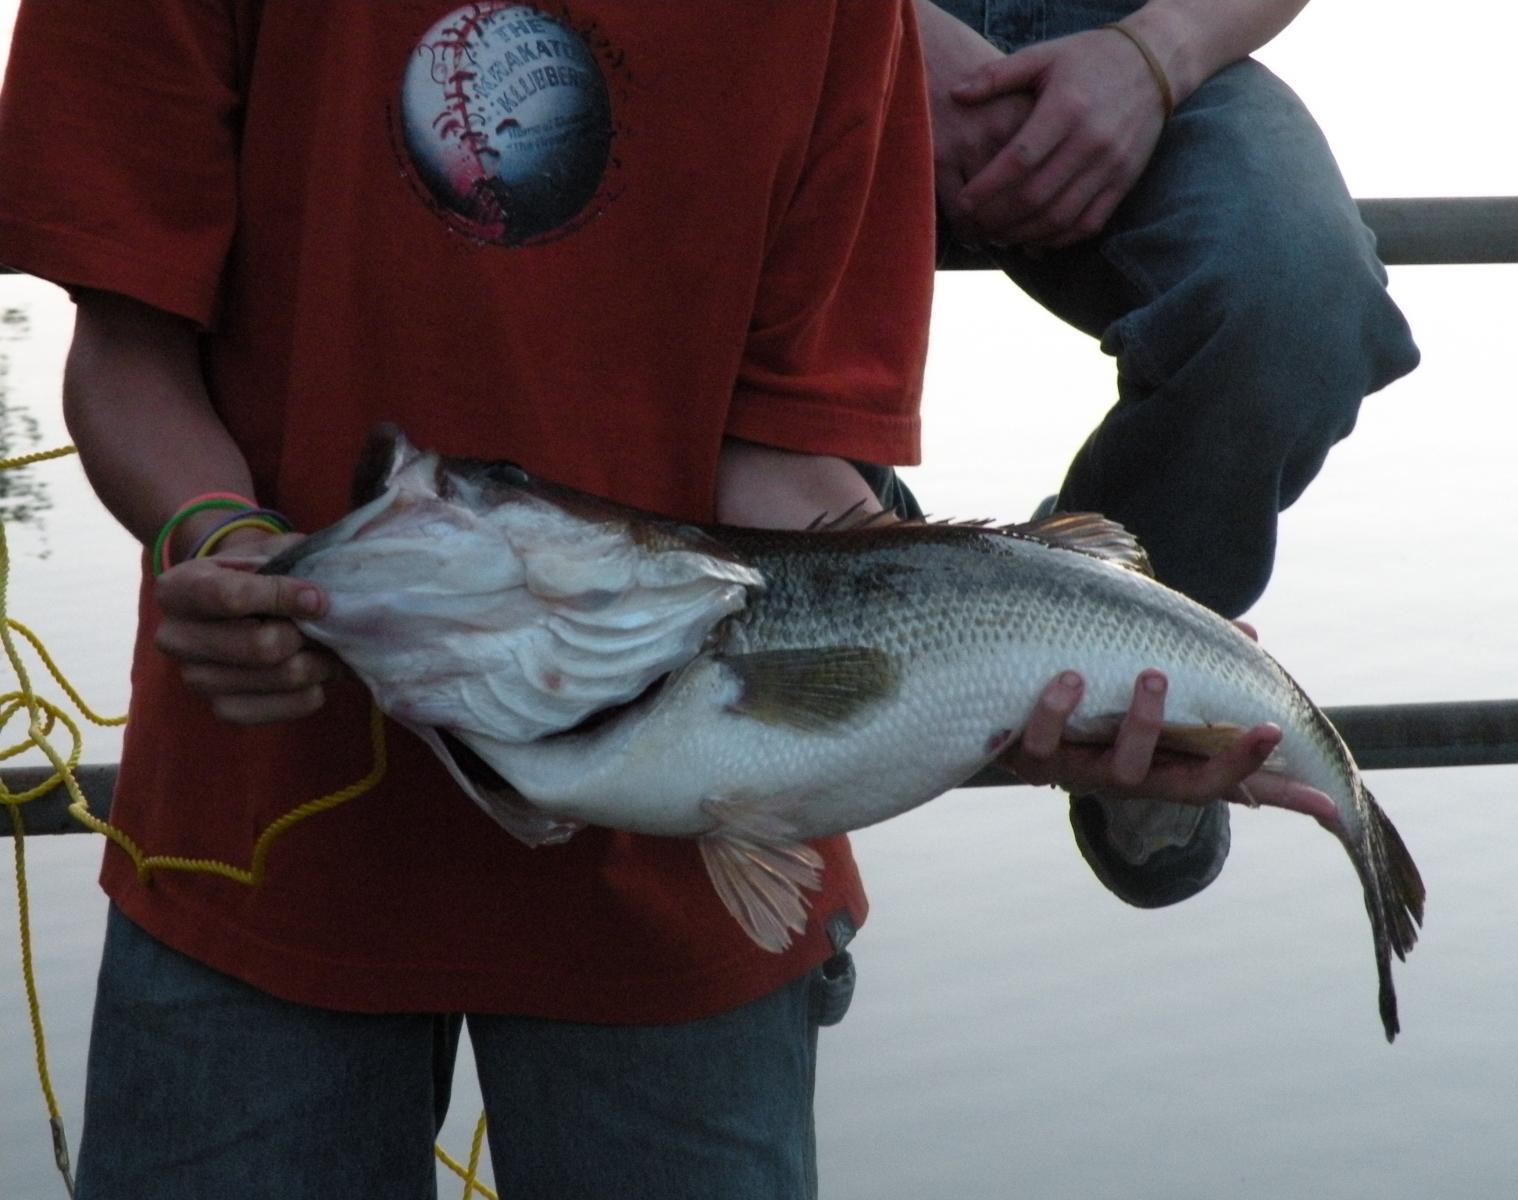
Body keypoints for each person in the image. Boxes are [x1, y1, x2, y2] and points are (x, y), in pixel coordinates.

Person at [0, 3, 1302, 1196]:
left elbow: (784, 455)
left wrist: (1036, 676)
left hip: (688, 907)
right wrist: (212, 532)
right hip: (252, 850)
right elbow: (123, 351)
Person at [899, 0, 1422, 909]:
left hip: (1135, 26)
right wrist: (876, 32)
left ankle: (1131, 708)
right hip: (774, 34)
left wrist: (1153, 52)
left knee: (1296, 289)